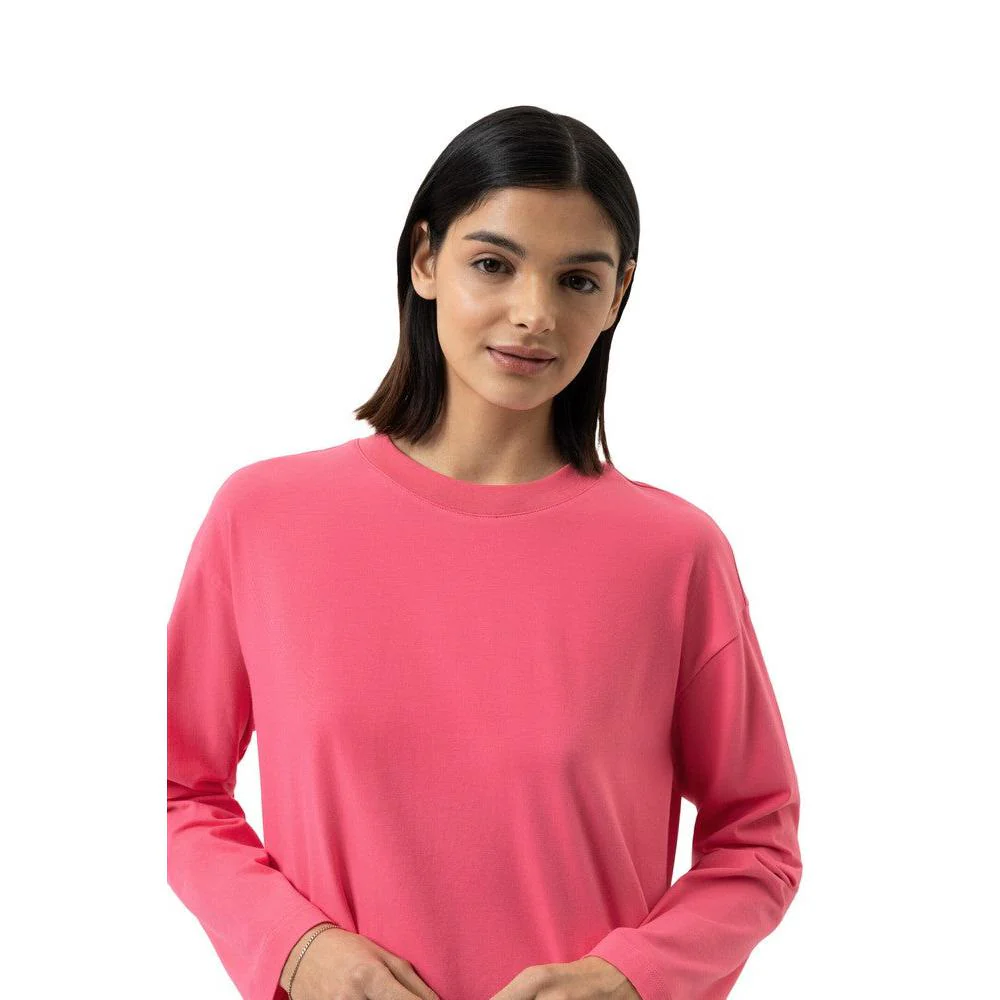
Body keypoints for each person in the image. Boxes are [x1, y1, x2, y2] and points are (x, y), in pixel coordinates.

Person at [167, 105, 803, 1000]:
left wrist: (628, 978)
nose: (534, 313)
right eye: (493, 264)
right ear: (425, 259)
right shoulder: (263, 520)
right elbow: (175, 790)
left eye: (577, 280)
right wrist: (296, 949)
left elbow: (758, 836)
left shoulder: (675, 555)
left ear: (618, 294)